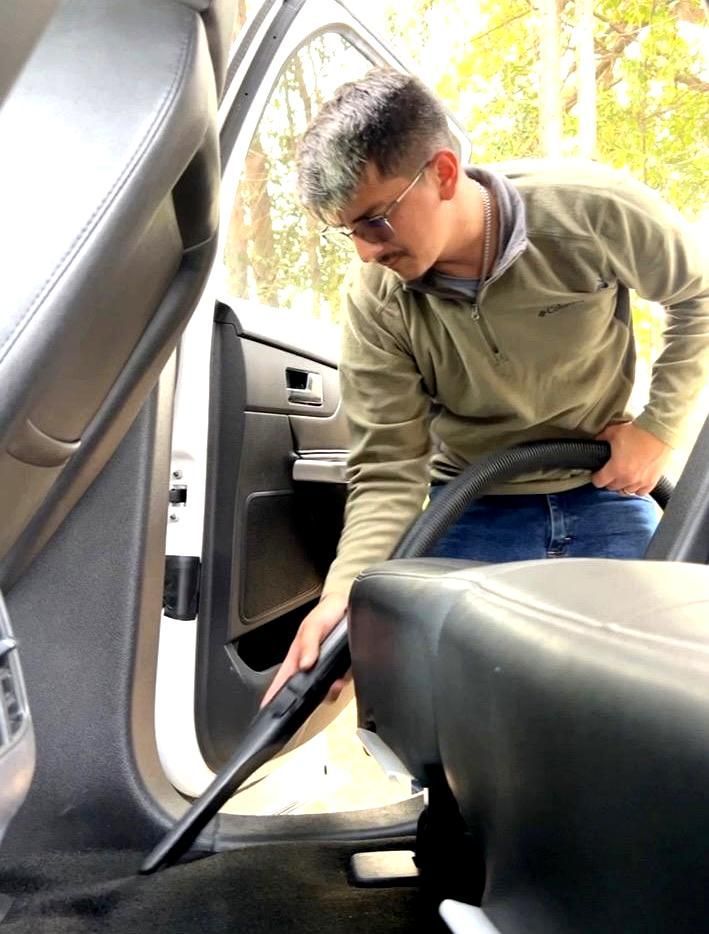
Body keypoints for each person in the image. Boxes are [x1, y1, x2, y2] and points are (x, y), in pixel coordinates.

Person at [262, 68, 709, 705]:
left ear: (443, 173)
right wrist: (346, 593)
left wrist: (658, 429)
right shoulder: (378, 303)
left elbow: (700, 297)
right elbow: (388, 467)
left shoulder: (589, 211)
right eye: (348, 231)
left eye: (376, 222)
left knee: (658, 694)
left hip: (604, 491)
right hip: (471, 505)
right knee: (453, 711)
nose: (364, 252)